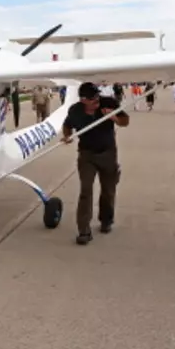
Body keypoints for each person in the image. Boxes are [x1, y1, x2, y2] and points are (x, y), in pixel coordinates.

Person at [61, 82, 130, 245]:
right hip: (86, 155)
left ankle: (106, 220)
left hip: (108, 153)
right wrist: (67, 136)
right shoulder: (75, 111)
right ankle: (84, 230)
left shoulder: (109, 103)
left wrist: (113, 116)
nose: (97, 99)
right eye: (93, 98)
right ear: (83, 99)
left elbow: (125, 121)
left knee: (108, 189)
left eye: (97, 95)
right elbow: (67, 125)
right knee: (86, 191)